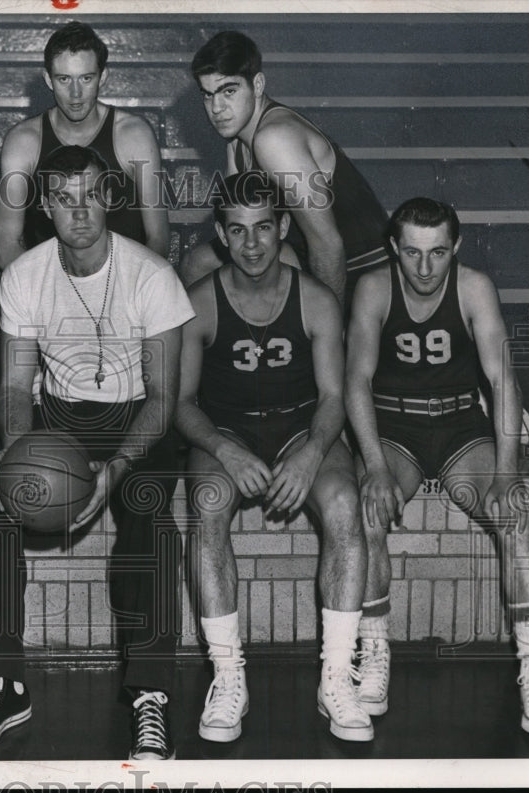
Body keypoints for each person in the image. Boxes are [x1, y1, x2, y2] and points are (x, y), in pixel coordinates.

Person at [0, 145, 193, 760]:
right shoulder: (26, 276)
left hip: (136, 416)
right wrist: (15, 450)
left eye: (90, 194)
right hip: (59, 417)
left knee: (151, 515)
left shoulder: (151, 275)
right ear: (45, 204)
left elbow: (164, 397)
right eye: (63, 197)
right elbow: (11, 385)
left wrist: (115, 469)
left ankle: (150, 696)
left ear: (110, 196)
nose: (79, 210)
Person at [345, 197, 529, 738]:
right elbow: (355, 382)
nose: (424, 269)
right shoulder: (374, 288)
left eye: (438, 253)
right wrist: (373, 465)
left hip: (461, 425)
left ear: (456, 248)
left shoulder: (473, 287)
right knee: (366, 510)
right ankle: (375, 654)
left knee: (516, 515)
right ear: (394, 247)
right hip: (394, 429)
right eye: (413, 253)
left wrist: (508, 470)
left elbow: (502, 380)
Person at [176, 171, 372, 743]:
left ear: (283, 227)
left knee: (342, 504)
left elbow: (334, 399)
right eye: (238, 232)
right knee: (209, 503)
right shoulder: (198, 304)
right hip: (227, 432)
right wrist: (221, 448)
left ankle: (336, 676)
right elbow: (182, 404)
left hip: (298, 430)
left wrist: (312, 454)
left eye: (264, 228)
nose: (253, 244)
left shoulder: (315, 299)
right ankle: (228, 675)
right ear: (222, 235)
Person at [184, 30, 390, 305]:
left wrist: (328, 330)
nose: (216, 108)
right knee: (198, 263)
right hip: (305, 256)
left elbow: (328, 245)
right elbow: (237, 224)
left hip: (363, 273)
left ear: (257, 85)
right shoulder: (236, 142)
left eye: (229, 91)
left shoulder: (275, 138)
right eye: (208, 95)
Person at [0, 21, 169, 269]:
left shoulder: (134, 135)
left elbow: (158, 239)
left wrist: (121, 292)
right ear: (48, 79)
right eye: (64, 78)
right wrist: (54, 294)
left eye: (86, 78)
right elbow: (5, 245)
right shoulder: (24, 141)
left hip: (123, 282)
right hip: (47, 286)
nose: (75, 93)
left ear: (103, 77)